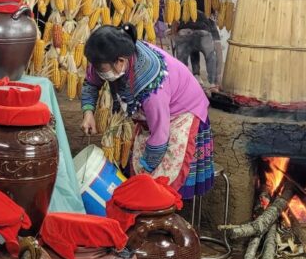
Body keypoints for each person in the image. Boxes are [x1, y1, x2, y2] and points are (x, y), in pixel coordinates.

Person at [80, 24, 214, 199]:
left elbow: (160, 135)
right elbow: (91, 83)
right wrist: (88, 112)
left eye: (102, 70)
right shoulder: (103, 59)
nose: (99, 73)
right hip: (156, 117)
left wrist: (146, 167)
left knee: (155, 183)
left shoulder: (151, 87)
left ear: (120, 61)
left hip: (183, 112)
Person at [172, 7, 221, 87]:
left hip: (185, 32)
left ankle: (183, 81)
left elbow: (174, 28)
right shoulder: (204, 15)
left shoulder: (181, 11)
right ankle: (212, 83)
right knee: (210, 57)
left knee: (182, 59)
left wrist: (175, 36)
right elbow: (212, 30)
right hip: (203, 33)